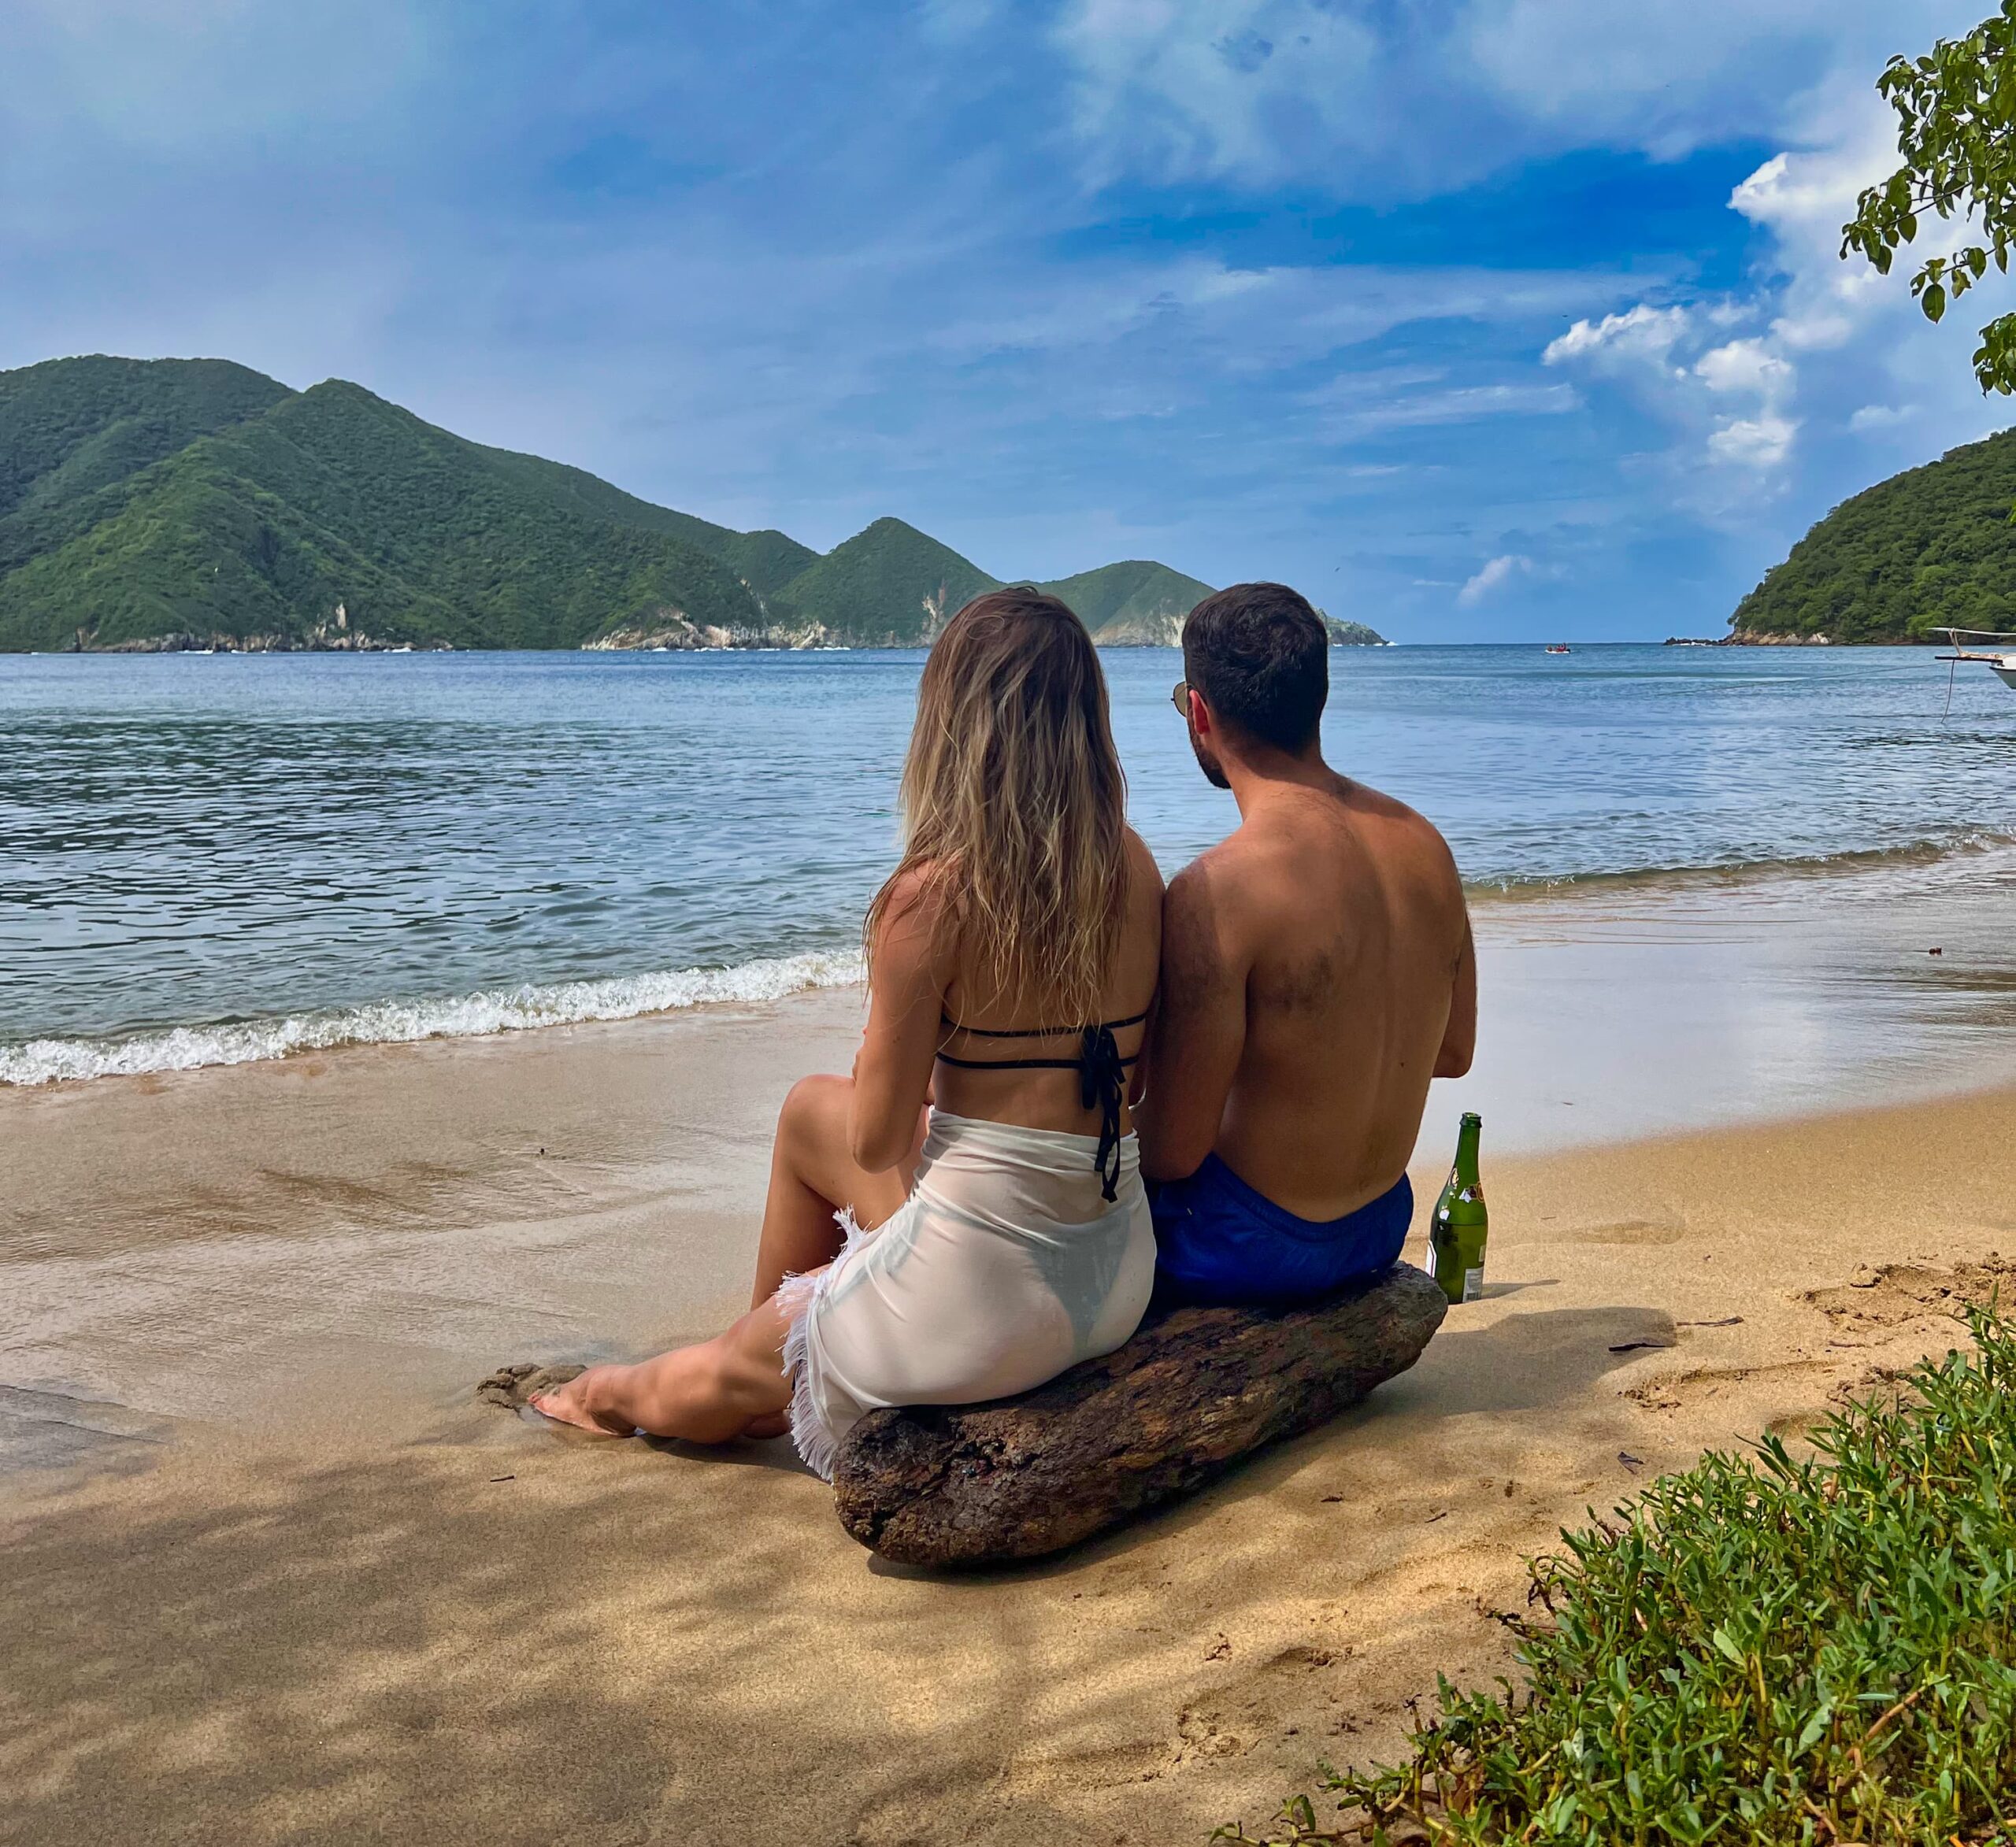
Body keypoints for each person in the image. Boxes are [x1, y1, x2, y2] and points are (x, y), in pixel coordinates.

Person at [531, 588, 1165, 1476]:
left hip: (980, 1310)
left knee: (664, 1390)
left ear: (954, 724)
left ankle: (613, 1393)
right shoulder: (1133, 865)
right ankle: (759, 1357)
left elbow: (874, 1141)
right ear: (1085, 717)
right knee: (806, 1112)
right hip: (1111, 1273)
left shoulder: (931, 899)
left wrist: (885, 1040)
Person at [1137, 582, 1475, 1305]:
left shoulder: (1216, 891)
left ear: (1200, 712)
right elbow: (1453, 1053)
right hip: (1380, 1225)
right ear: (1318, 697)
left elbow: (1172, 1151)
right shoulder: (1427, 846)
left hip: (1241, 1248)